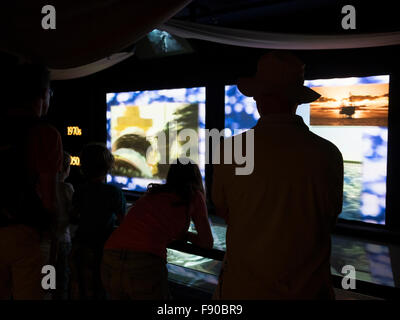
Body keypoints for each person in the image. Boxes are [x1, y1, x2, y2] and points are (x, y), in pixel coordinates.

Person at [212, 51, 344, 299]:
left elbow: (224, 211)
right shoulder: (328, 154)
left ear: (258, 98)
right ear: (297, 100)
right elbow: (329, 219)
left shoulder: (230, 150)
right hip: (309, 292)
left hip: (243, 290)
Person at [102, 159, 214, 300]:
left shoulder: (153, 193)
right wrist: (187, 236)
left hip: (110, 257)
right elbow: (207, 242)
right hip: (144, 264)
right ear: (196, 177)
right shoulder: (194, 196)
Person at [0, 63, 62, 300]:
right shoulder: (45, 133)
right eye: (50, 92)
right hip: (26, 234)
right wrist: (54, 236)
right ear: (42, 94)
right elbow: (49, 197)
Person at [70, 143, 126, 300]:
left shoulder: (80, 190)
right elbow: (124, 223)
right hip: (104, 249)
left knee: (83, 288)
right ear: (107, 167)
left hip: (81, 247)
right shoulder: (114, 192)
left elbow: (73, 216)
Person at [54, 151, 74, 300]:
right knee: (62, 280)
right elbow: (74, 214)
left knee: (47, 280)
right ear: (67, 169)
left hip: (46, 241)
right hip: (63, 241)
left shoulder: (42, 187)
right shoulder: (67, 188)